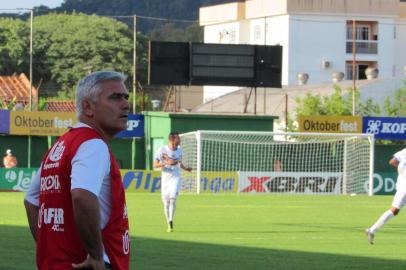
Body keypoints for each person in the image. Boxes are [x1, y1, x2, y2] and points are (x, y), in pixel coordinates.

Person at [24, 71, 131, 270]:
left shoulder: (61, 145)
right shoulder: (93, 144)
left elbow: (31, 201)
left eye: (126, 97)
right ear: (88, 107)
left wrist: (50, 250)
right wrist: (95, 256)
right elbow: (82, 195)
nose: (125, 104)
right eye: (115, 97)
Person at [365, 148, 406, 244]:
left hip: (401, 184)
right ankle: (372, 230)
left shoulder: (404, 151)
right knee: (394, 210)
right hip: (404, 187)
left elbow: (392, 162)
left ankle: (372, 230)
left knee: (395, 210)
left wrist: (402, 172)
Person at [153, 132, 192, 233]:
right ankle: (168, 223)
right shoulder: (162, 150)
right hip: (165, 178)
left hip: (175, 177)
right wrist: (166, 163)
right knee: (166, 203)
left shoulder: (179, 150)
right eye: (178, 138)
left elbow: (179, 163)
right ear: (172, 140)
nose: (180, 140)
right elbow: (155, 164)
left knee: (173, 198)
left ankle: (171, 220)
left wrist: (186, 169)